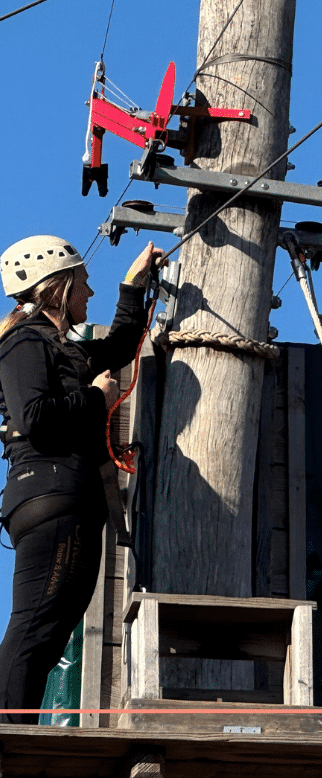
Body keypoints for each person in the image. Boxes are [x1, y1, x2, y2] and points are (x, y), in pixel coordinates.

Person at [0, 235, 161, 721]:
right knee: (36, 627)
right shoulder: (24, 342)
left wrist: (133, 285)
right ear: (58, 286)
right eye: (83, 283)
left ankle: (15, 728)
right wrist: (95, 398)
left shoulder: (62, 348)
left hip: (68, 498)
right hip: (51, 494)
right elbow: (34, 417)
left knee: (48, 631)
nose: (89, 293)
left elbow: (119, 346)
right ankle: (9, 733)